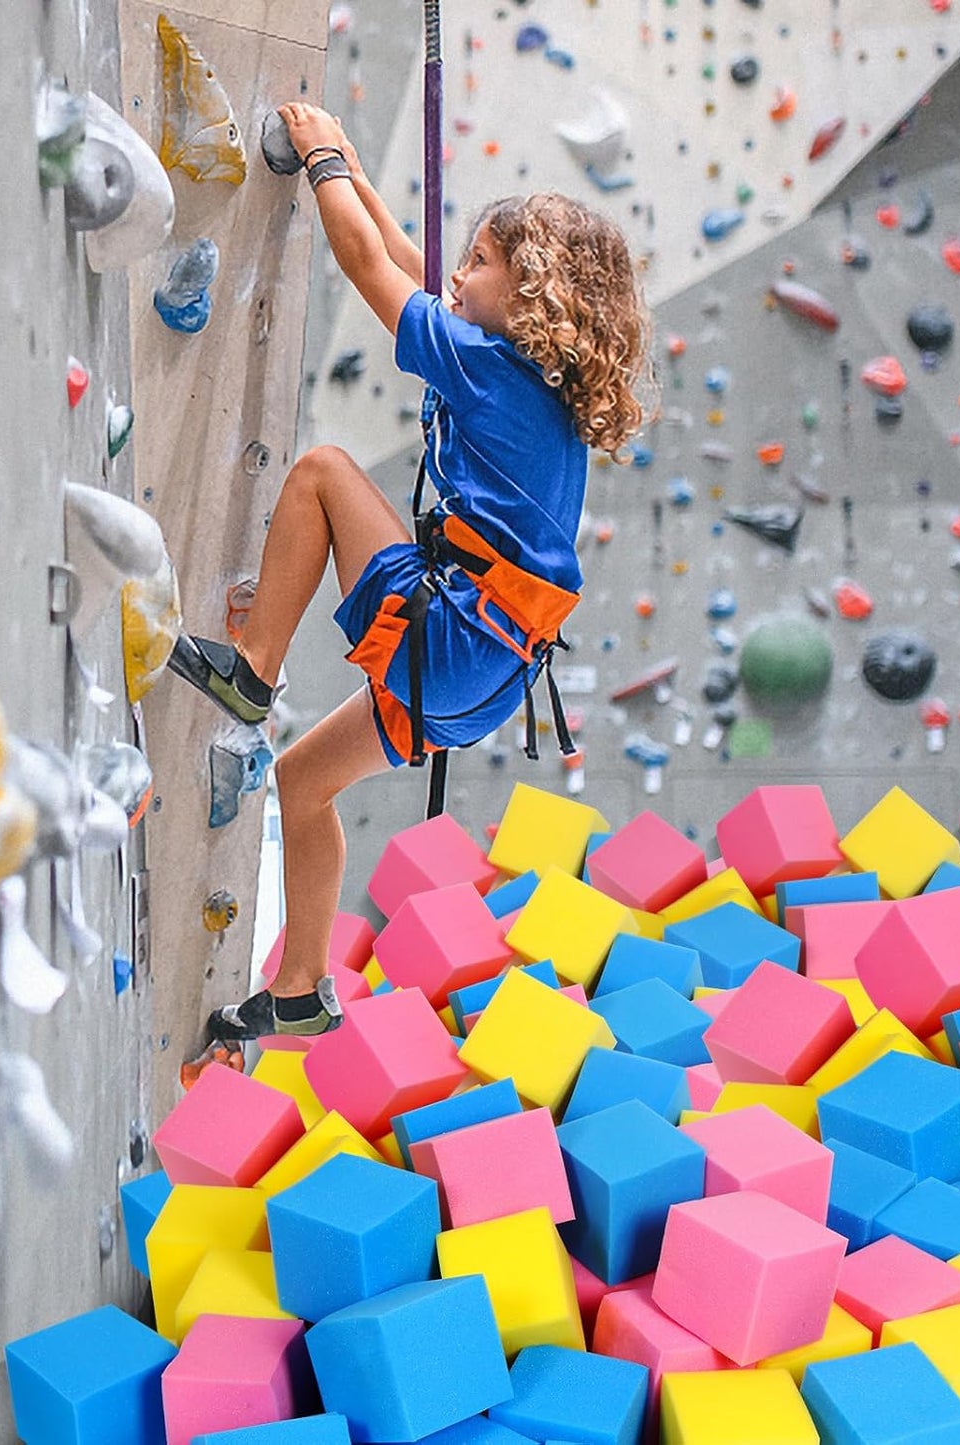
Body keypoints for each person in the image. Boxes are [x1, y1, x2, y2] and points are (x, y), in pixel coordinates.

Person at [169, 101, 653, 1041]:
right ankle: (304, 983)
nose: (459, 274)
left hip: (456, 635)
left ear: (525, 300)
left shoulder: (482, 365)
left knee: (320, 474)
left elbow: (365, 265)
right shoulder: (532, 380)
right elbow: (419, 270)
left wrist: (317, 162)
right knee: (303, 781)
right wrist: (349, 164)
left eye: (481, 262)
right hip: (488, 673)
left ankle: (251, 668)